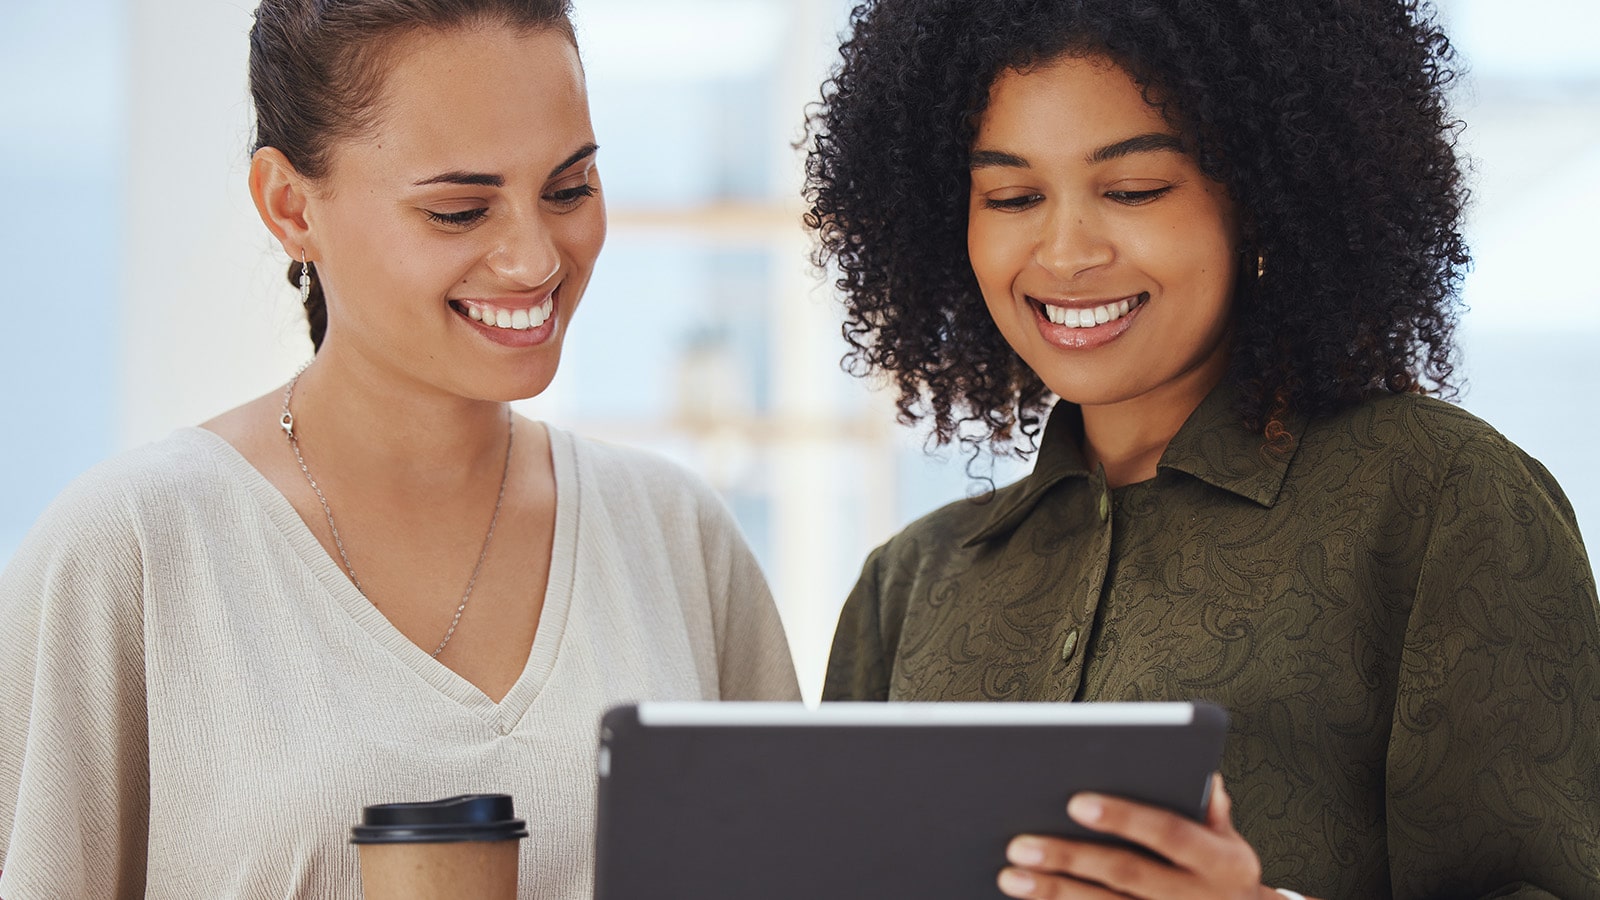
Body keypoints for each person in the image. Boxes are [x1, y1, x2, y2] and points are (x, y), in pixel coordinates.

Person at [0, 1, 800, 897]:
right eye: (459, 210)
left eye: (570, 189)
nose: (536, 259)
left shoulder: (677, 538)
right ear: (290, 206)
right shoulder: (129, 553)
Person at [803, 0, 1600, 897]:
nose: (1064, 254)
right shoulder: (909, 586)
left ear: (1260, 200)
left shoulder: (1436, 501)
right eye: (1013, 198)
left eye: (1134, 190)